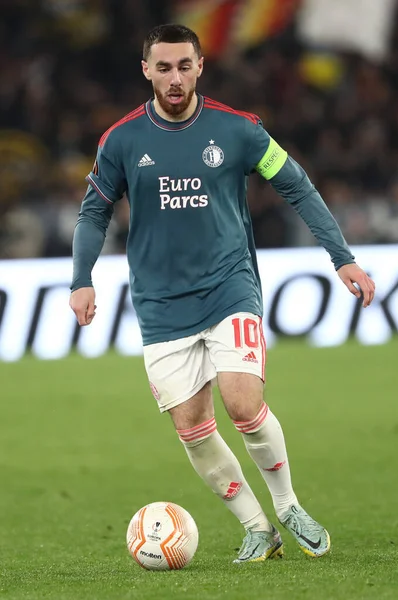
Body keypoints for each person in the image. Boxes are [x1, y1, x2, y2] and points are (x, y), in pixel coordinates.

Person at [69, 24, 375, 563]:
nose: (174, 78)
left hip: (229, 286)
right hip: (160, 304)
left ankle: (289, 507)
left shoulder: (238, 130)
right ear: (146, 71)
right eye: (162, 67)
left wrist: (341, 256)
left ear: (200, 66)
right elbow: (94, 211)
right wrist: (81, 278)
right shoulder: (120, 140)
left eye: (184, 66)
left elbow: (297, 186)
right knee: (192, 428)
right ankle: (259, 528)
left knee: (243, 402)